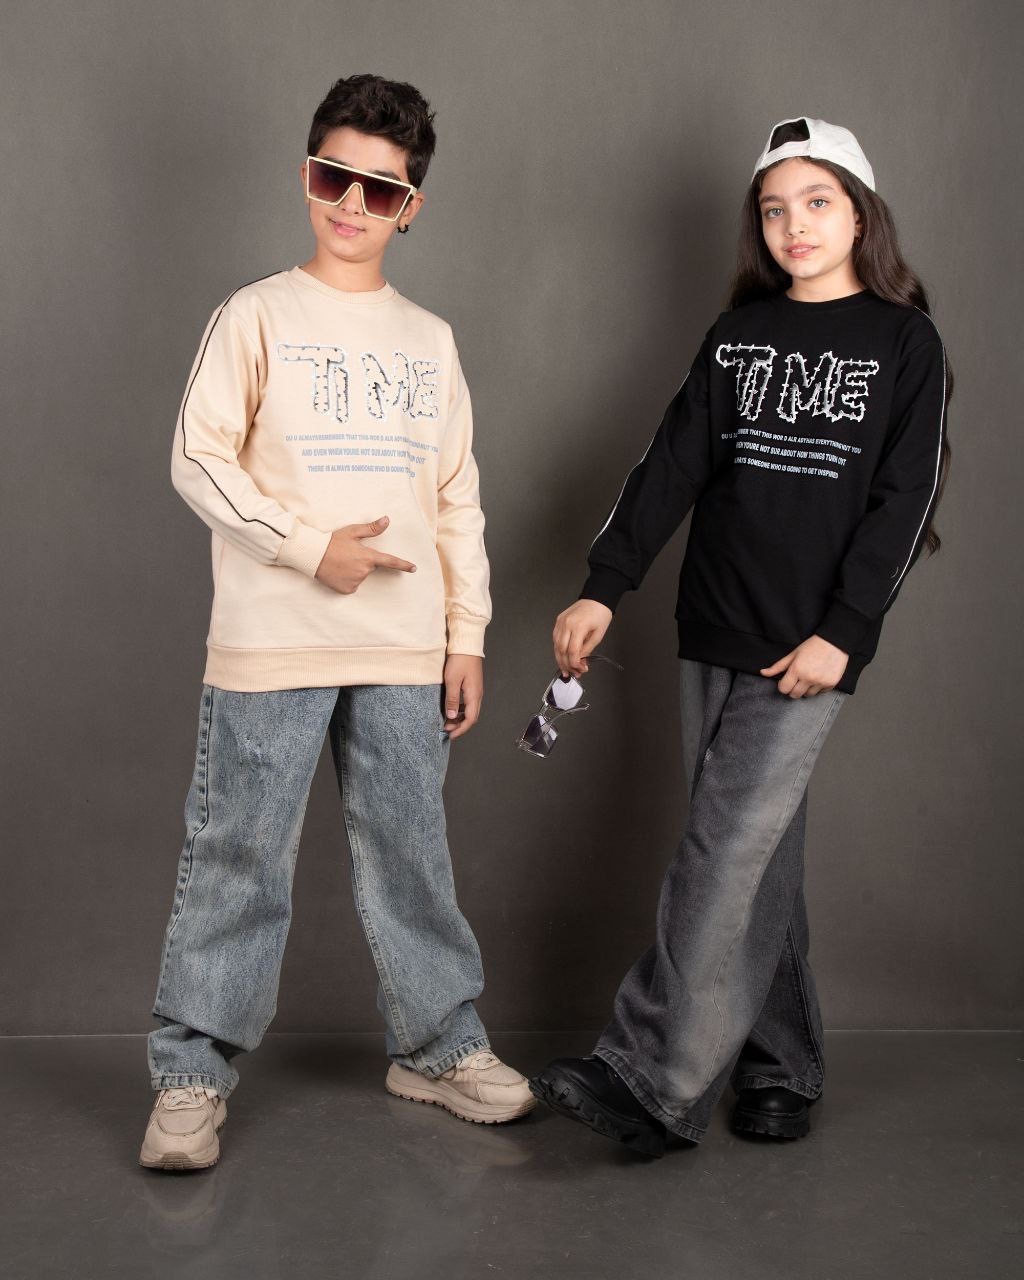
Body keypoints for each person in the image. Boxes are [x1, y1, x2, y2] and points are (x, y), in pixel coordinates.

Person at [530, 117, 951, 1156]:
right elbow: (668, 464)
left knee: (720, 847)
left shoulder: (905, 342)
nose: (793, 225)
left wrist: (845, 633)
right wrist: (604, 586)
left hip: (805, 646)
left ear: (861, 213)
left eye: (816, 202)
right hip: (711, 621)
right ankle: (781, 1063)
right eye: (773, 209)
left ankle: (651, 1079)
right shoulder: (739, 335)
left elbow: (905, 501)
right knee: (755, 852)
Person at [140, 73, 534, 1172]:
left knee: (410, 852)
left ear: (411, 208)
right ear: (307, 176)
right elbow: (197, 460)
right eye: (334, 176)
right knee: (239, 855)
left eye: (381, 188)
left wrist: (467, 633)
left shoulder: (429, 339)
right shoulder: (255, 315)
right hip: (274, 637)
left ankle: (438, 1045)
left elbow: (455, 498)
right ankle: (190, 1072)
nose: (352, 203)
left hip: (405, 647)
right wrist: (312, 549)